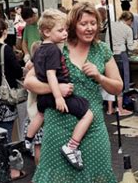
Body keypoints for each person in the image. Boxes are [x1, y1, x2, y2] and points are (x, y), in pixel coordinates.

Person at [24, 2, 123, 183]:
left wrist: (99, 77)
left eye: (93, 23)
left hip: (92, 128)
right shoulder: (58, 47)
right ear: (73, 25)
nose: (89, 28)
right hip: (58, 126)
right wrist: (55, 90)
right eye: (83, 23)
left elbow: (118, 88)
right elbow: (29, 82)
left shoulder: (101, 50)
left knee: (98, 180)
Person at [25, 9, 93, 170]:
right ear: (47, 32)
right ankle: (72, 146)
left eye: (65, 30)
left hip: (43, 99)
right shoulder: (54, 50)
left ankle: (28, 139)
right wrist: (58, 96)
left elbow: (29, 66)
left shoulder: (40, 48)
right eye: (61, 30)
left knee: (40, 115)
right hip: (58, 93)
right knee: (88, 114)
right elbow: (51, 74)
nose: (64, 34)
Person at [104, 11, 134, 116]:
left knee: (110, 80)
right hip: (121, 55)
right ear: (129, 20)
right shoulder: (128, 29)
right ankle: (120, 109)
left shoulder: (110, 25)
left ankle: (110, 109)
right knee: (120, 81)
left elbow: (106, 41)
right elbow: (130, 47)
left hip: (109, 55)